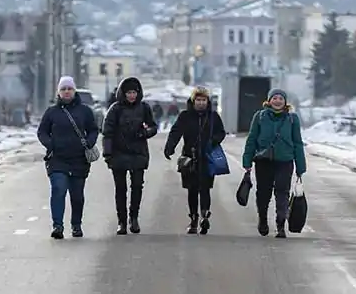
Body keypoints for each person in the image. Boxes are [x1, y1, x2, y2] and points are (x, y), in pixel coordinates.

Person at [37, 76, 100, 239]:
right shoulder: (52, 112)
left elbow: (93, 130)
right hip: (57, 159)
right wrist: (50, 144)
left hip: (79, 159)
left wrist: (89, 142)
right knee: (58, 189)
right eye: (63, 89)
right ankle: (57, 226)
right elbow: (42, 131)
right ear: (59, 92)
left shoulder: (85, 111)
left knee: (77, 195)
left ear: (74, 91)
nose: (66, 92)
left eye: (69, 89)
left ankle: (76, 225)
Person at [241, 88, 307, 238]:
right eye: (274, 98)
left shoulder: (292, 119)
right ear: (269, 101)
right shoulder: (259, 117)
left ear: (285, 102)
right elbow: (251, 140)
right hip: (263, 161)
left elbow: (297, 143)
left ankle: (280, 224)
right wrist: (247, 161)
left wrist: (300, 166)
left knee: (282, 193)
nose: (277, 101)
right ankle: (262, 219)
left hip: (285, 161)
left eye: (281, 99)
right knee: (263, 193)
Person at [163, 86, 226, 235]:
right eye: (198, 100)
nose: (201, 103)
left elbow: (221, 133)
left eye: (203, 100)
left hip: (207, 157)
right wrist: (169, 147)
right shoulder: (185, 116)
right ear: (193, 100)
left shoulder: (213, 117)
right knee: (192, 190)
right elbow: (176, 131)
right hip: (189, 158)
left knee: (205, 188)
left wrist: (213, 141)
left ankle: (205, 215)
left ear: (207, 101)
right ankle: (193, 219)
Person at [102, 76, 158, 235]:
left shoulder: (144, 108)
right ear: (123, 93)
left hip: (138, 153)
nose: (132, 96)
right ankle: (122, 221)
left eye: (134, 92)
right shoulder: (115, 109)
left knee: (137, 187)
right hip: (119, 153)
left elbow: (153, 127)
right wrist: (108, 153)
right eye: (129, 93)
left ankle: (134, 217)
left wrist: (145, 133)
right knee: (120, 189)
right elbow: (107, 132)